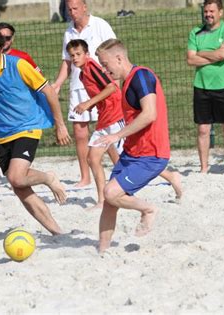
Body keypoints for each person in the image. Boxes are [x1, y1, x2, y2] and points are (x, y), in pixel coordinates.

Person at [0, 26, 72, 235]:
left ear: (1, 48)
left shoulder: (19, 65)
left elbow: (49, 91)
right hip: (2, 132)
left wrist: (60, 125)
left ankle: (48, 177)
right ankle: (57, 232)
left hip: (28, 127)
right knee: (20, 188)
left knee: (16, 177)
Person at [94, 39, 172, 253]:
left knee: (110, 193)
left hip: (151, 155)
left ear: (119, 58)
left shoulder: (141, 76)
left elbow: (150, 114)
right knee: (110, 202)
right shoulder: (126, 81)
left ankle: (148, 209)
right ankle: (102, 251)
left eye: (105, 63)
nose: (104, 69)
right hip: (133, 152)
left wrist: (116, 135)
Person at [52, 0, 117, 187]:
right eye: (69, 9)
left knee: (107, 131)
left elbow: (114, 49)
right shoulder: (68, 31)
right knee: (80, 134)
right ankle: (85, 177)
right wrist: (57, 84)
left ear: (84, 7)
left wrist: (115, 77)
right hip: (78, 87)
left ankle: (118, 170)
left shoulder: (100, 24)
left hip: (100, 87)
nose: (72, 12)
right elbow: (67, 62)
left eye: (75, 8)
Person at [0, 22, 42, 194]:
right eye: (1, 37)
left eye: (7, 37)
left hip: (20, 121)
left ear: (11, 39)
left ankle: (41, 178)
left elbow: (40, 82)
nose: (4, 41)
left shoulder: (21, 59)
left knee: (16, 175)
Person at [66, 39, 124, 210]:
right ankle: (102, 200)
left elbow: (112, 87)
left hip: (115, 115)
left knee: (130, 159)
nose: (75, 58)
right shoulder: (83, 73)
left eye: (78, 54)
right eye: (72, 56)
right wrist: (90, 104)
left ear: (87, 54)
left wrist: (87, 103)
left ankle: (171, 177)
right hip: (105, 117)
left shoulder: (91, 67)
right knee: (93, 158)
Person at [187, 0, 224, 173]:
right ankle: (203, 169)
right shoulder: (195, 32)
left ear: (220, 12)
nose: (208, 14)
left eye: (212, 11)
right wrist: (214, 54)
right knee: (203, 129)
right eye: (206, 11)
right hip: (201, 86)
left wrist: (201, 53)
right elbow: (190, 59)